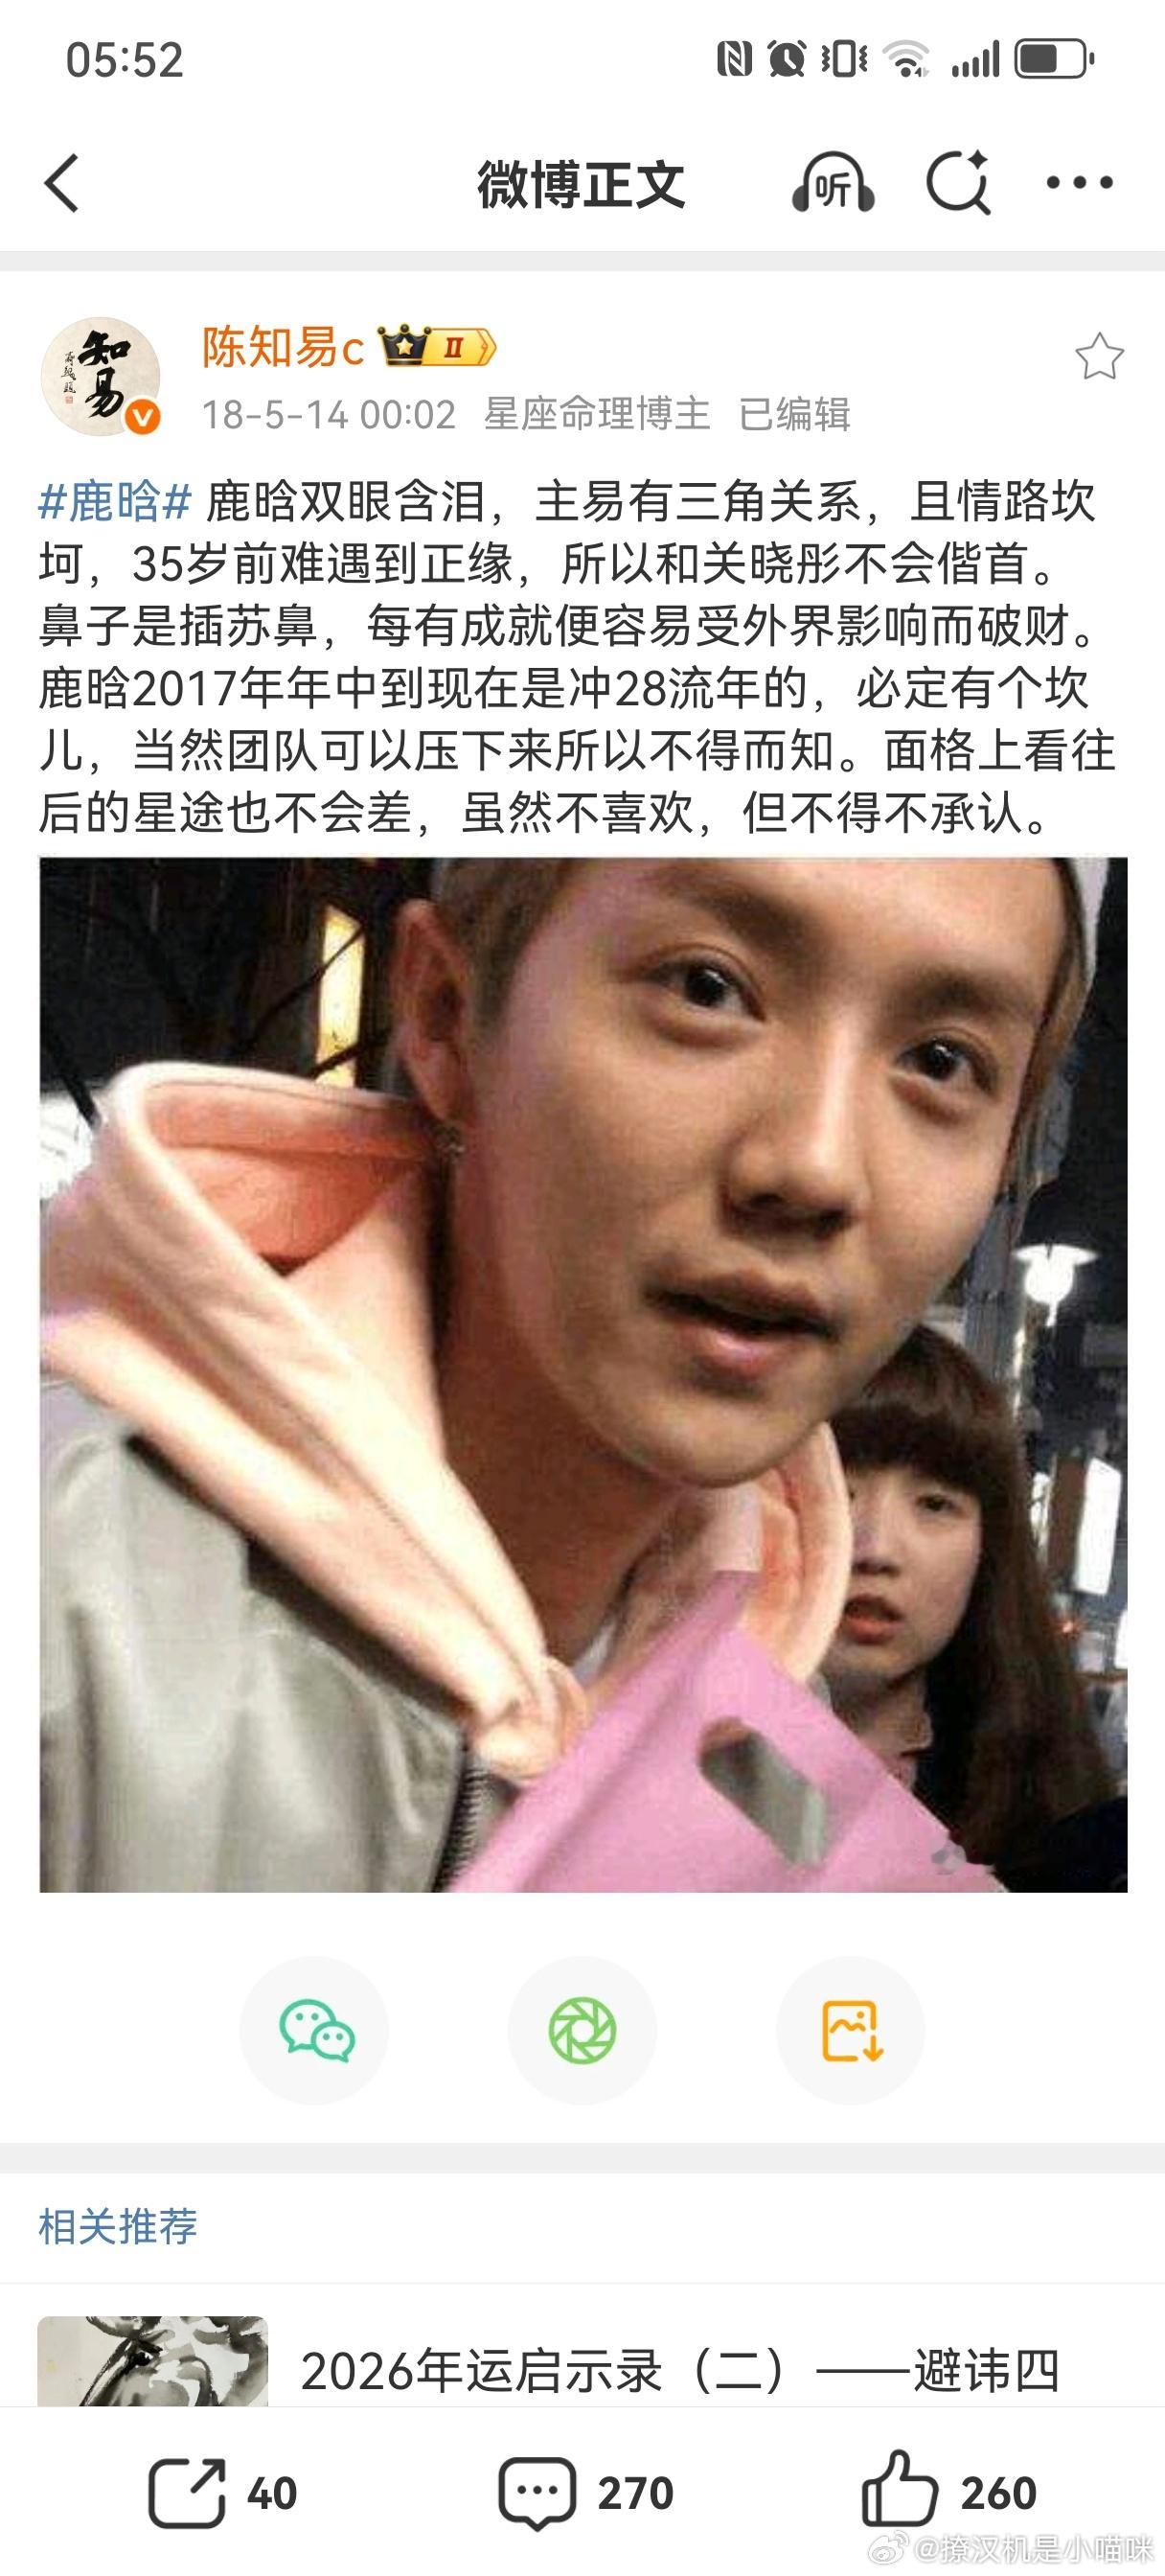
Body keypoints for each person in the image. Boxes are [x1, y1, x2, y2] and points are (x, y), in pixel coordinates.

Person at [42, 857, 1085, 1893]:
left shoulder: (768, 1758)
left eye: (943, 1061)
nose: (815, 1167)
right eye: (705, 988)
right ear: (447, 1014)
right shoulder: (59, 1601)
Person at [823, 1325, 1122, 1889]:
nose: (876, 1549)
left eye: (935, 1504)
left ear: (988, 1547)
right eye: (835, 1489)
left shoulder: (1076, 1847)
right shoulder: (653, 1762)